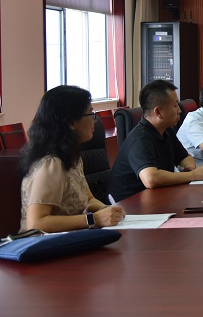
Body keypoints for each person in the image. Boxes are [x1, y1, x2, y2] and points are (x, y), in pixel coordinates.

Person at [18, 85, 125, 232]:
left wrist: (107, 210)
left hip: (72, 238)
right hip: (47, 244)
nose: (94, 120)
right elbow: (36, 224)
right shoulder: (51, 163)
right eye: (90, 114)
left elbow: (88, 200)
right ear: (72, 123)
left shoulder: (72, 156)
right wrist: (94, 219)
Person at [108, 80, 203, 202]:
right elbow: (150, 179)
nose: (179, 110)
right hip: (129, 205)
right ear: (158, 112)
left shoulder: (165, 130)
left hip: (156, 197)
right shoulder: (140, 139)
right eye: (175, 105)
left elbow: (184, 157)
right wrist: (192, 175)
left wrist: (189, 168)